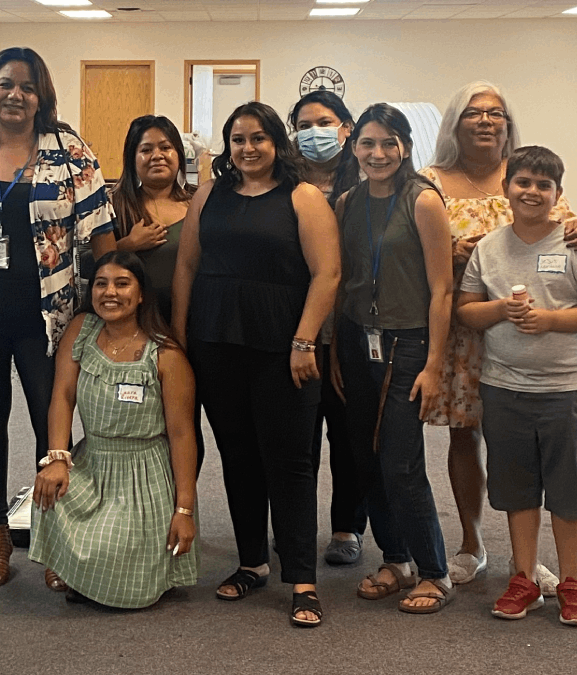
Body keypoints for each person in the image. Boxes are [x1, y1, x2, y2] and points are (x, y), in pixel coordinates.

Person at [0, 47, 116, 589]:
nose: (16, 95)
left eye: (28, 87)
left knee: (51, 423)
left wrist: (107, 310)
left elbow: (102, 236)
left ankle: (54, 534)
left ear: (43, 96)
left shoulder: (70, 151)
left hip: (50, 317)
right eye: (5, 83)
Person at [421, 81, 577, 591]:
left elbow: (567, 231)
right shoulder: (430, 181)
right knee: (465, 434)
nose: (484, 121)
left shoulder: (527, 176)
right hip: (464, 323)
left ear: (507, 123)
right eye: (473, 113)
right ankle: (472, 543)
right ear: (455, 123)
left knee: (523, 443)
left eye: (495, 113)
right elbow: (411, 246)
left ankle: (526, 558)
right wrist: (450, 255)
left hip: (525, 331)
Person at [172, 101, 340, 627]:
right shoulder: (210, 194)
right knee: (238, 454)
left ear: (277, 143)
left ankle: (304, 579)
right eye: (238, 139)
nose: (248, 148)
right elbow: (187, 264)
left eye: (258, 138)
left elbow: (328, 274)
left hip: (283, 344)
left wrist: (305, 340)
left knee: (289, 461)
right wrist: (179, 337)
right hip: (216, 338)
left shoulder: (303, 196)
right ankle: (251, 563)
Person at [455, 146, 577, 625]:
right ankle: (523, 578)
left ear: (558, 195)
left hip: (566, 390)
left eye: (543, 185)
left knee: (568, 491)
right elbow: (466, 310)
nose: (531, 192)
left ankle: (571, 581)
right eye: (522, 182)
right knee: (518, 489)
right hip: (503, 388)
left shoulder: (576, 245)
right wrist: (502, 309)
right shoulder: (489, 247)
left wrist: (549, 320)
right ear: (506, 189)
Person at [331, 103, 455, 614]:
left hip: (409, 345)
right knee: (366, 458)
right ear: (354, 147)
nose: (377, 154)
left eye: (388, 143)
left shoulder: (422, 201)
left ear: (404, 145)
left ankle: (434, 571)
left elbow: (443, 289)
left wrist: (435, 366)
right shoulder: (345, 203)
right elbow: (341, 284)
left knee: (401, 462)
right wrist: (337, 351)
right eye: (367, 144)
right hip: (359, 341)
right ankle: (396, 558)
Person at [29, 251, 198, 608]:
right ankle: (84, 570)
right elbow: (62, 395)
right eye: (101, 284)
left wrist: (185, 511)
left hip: (143, 476)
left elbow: (183, 436)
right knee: (48, 491)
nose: (110, 293)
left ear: (140, 295)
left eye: (123, 284)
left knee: (119, 554)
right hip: (93, 461)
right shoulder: (81, 330)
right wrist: (57, 457)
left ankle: (92, 572)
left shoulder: (166, 354)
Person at [288, 91, 365, 566]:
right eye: (304, 123)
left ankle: (346, 527)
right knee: (297, 437)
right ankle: (295, 524)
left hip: (352, 325)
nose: (314, 131)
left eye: (325, 121)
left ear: (347, 127)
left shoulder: (368, 178)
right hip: (297, 324)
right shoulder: (285, 180)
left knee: (347, 433)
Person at [108, 114, 205, 474]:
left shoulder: (200, 201)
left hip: (191, 328)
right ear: (133, 158)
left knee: (184, 422)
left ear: (179, 154)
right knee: (138, 421)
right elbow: (86, 261)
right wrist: (127, 244)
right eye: (146, 149)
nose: (157, 155)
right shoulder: (115, 204)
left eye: (165, 147)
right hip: (134, 331)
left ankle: (181, 507)